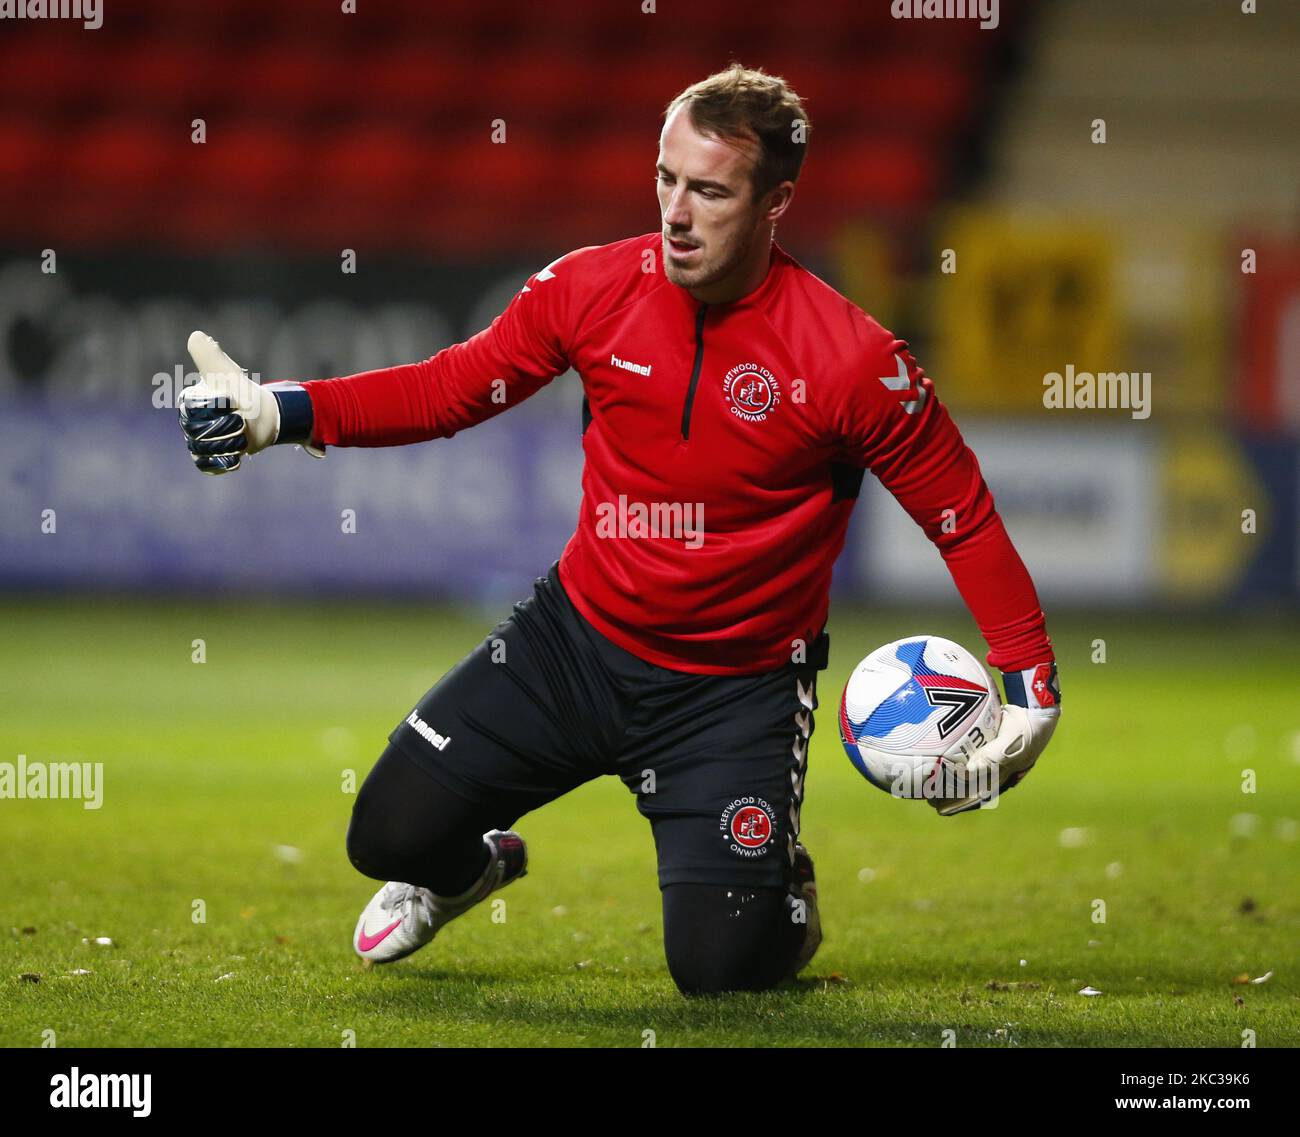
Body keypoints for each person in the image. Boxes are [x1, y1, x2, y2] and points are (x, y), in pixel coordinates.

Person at [175, 63, 1061, 995]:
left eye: (710, 190)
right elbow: (449, 390)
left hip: (733, 695)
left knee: (719, 974)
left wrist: (1031, 691)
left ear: (775, 202)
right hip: (573, 645)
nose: (677, 211)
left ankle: (778, 889)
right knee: (386, 835)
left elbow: (962, 518)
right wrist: (285, 410)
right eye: (666, 179)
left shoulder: (855, 362)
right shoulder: (591, 288)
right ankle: (469, 874)